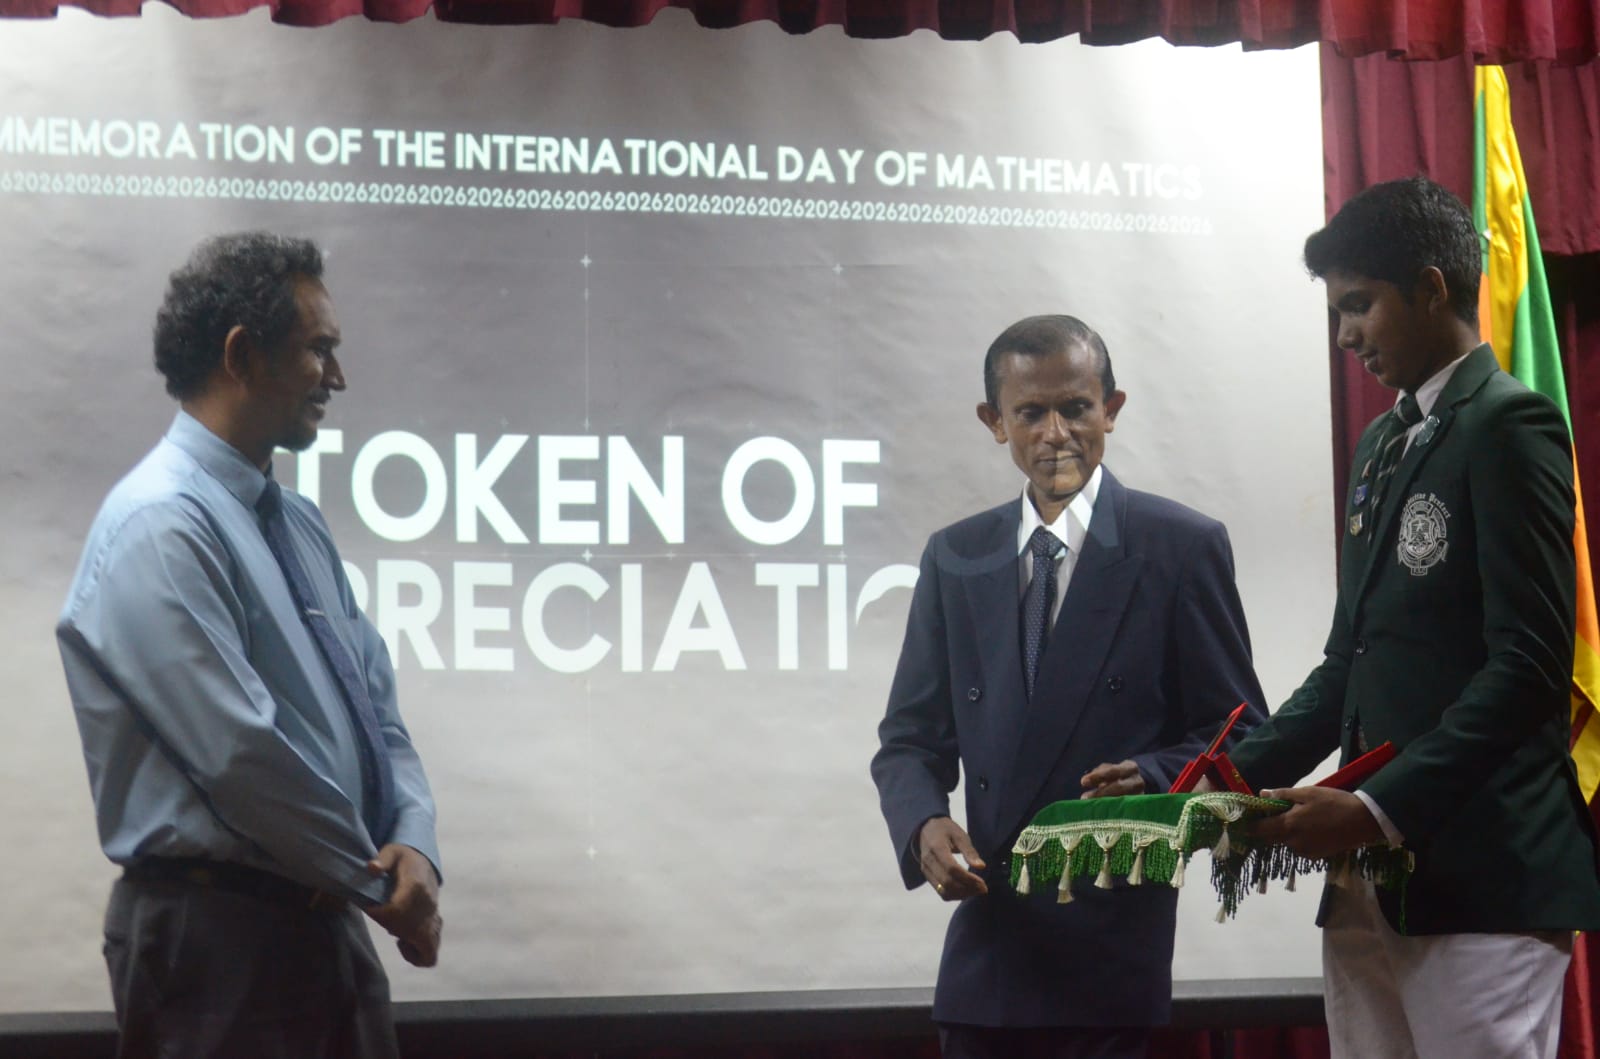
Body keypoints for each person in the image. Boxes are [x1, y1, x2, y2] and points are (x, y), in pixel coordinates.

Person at [1231, 176, 1600, 1059]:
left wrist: (1370, 807)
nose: (1344, 334)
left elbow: (1529, 667)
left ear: (1431, 288)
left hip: (1483, 878)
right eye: (1337, 311)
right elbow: (1349, 663)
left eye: (1359, 305)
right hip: (1369, 885)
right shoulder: (1382, 443)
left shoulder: (1510, 424)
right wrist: (1221, 780)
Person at [55, 232, 442, 1058]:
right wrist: (380, 884)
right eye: (318, 350)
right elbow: (240, 752)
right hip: (218, 943)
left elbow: (377, 710)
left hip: (325, 922)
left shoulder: (297, 521)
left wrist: (415, 842)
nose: (337, 377)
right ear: (241, 354)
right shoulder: (160, 522)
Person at [870, 314, 1266, 1059]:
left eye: (1076, 408)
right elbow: (910, 741)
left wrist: (1151, 774)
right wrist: (922, 824)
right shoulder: (955, 556)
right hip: (987, 958)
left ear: (1111, 409)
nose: (1056, 433)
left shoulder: (1180, 546)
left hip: (1109, 958)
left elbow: (1242, 733)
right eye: (1030, 412)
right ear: (994, 422)